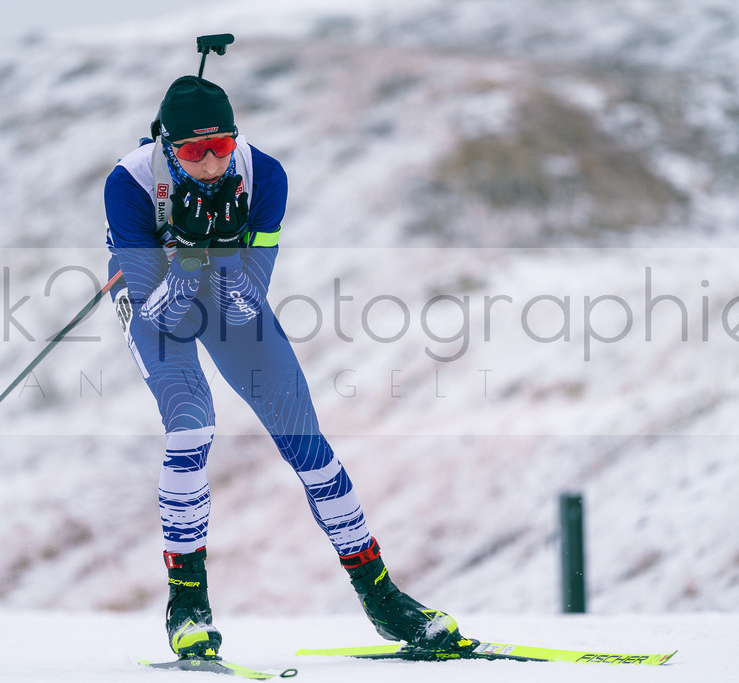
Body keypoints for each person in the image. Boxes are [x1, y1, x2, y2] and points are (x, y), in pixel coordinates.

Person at [104, 74, 469, 659]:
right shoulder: (129, 183)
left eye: (220, 146)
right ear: (167, 146)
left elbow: (246, 300)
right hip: (153, 300)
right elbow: (163, 314)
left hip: (227, 292)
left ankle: (383, 599)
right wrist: (193, 251)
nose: (209, 161)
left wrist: (218, 251)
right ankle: (188, 607)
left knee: (307, 443)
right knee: (192, 424)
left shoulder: (264, 175)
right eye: (194, 151)